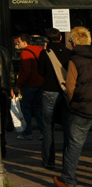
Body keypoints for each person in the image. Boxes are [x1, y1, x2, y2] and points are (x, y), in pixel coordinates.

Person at [56, 26, 92, 187]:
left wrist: (72, 103)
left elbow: (70, 87)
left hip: (82, 108)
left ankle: (68, 179)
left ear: (75, 43)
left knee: (75, 144)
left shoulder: (75, 60)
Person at [39, 27, 73, 170]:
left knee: (48, 127)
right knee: (67, 128)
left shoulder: (45, 53)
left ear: (47, 40)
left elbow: (40, 72)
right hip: (66, 93)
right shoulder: (69, 53)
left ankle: (49, 161)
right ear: (60, 38)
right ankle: (68, 161)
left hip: (49, 92)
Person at [14, 32, 45, 140]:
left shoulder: (25, 53)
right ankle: (43, 131)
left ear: (24, 42)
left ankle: (27, 132)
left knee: (26, 109)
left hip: (29, 85)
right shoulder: (39, 50)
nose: (17, 44)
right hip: (40, 83)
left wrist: (18, 85)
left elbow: (26, 71)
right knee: (38, 109)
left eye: (19, 42)